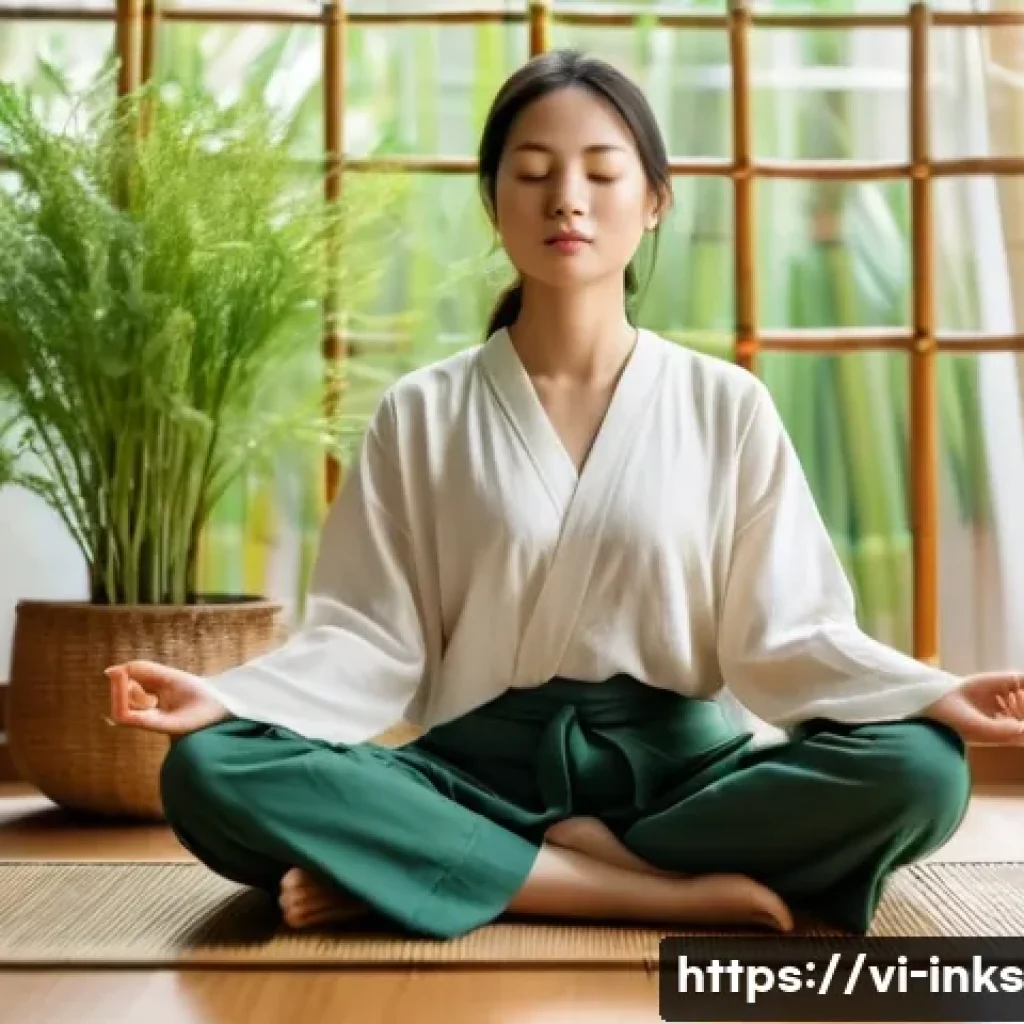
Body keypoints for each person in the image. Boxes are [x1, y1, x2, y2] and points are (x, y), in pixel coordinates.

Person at [108, 50, 1024, 940]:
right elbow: (366, 639)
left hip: (682, 783)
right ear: (493, 201)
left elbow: (789, 633)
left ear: (655, 201)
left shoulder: (725, 404)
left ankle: (440, 869)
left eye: (602, 172)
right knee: (208, 770)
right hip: (470, 778)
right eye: (534, 173)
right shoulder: (422, 411)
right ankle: (627, 889)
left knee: (924, 771)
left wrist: (929, 693)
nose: (567, 199)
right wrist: (226, 700)